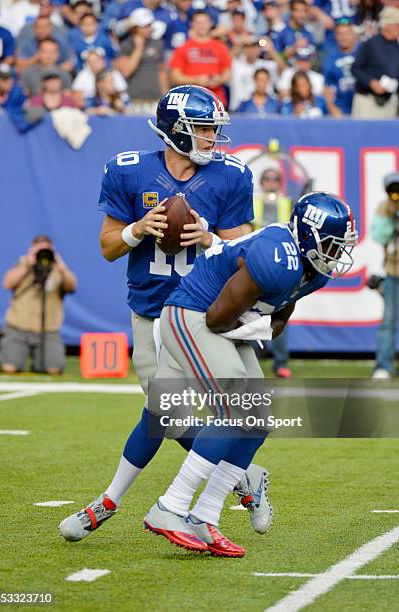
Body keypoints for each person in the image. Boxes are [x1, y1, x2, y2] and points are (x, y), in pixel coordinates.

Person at [59, 85, 271, 544]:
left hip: (208, 312)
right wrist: (138, 229)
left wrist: (209, 238)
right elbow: (108, 246)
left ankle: (115, 502)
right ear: (177, 131)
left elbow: (247, 254)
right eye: (204, 128)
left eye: (215, 128)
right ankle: (241, 478)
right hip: (153, 311)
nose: (214, 137)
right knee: (169, 414)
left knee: (234, 409)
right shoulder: (129, 171)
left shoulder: (231, 176)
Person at [142, 192, 358, 555]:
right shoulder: (276, 257)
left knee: (258, 420)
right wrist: (248, 326)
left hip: (224, 322)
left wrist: (256, 326)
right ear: (309, 237)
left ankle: (204, 516)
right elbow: (215, 318)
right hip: (191, 313)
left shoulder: (314, 272)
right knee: (236, 410)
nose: (337, 254)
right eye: (332, 245)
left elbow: (278, 321)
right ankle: (171, 506)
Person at [0, 235, 77, 374]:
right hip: (18, 329)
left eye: (46, 250)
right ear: (31, 250)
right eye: (38, 250)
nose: (42, 254)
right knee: (9, 368)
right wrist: (28, 264)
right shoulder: (23, 264)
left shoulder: (58, 269)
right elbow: (7, 283)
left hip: (48, 331)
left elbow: (71, 286)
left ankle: (41, 361)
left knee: (53, 369)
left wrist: (61, 267)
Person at [252, 168, 292, 377]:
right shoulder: (255, 201)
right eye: (267, 178)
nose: (271, 182)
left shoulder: (287, 202)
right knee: (247, 313)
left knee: (281, 314)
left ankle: (281, 362)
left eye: (275, 178)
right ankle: (250, 361)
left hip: (281, 266)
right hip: (258, 262)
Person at [169, 10, 231, 107]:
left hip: (216, 100)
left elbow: (227, 73)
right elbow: (175, 76)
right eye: (198, 22)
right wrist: (196, 80)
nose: (202, 25)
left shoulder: (220, 47)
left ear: (210, 24)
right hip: (190, 102)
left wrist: (218, 79)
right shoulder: (183, 48)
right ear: (192, 24)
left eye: (205, 22)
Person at [371, 172, 399, 379]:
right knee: (388, 322)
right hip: (394, 272)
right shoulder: (385, 208)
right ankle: (383, 366)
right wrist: (391, 217)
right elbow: (379, 236)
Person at [115, 8, 167, 115]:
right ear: (135, 28)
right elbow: (126, 71)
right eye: (145, 25)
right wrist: (138, 48)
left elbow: (161, 71)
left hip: (155, 100)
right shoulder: (126, 45)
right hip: (134, 100)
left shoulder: (157, 43)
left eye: (149, 24)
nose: (149, 28)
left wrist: (165, 95)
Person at [351, 6, 399, 119]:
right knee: (363, 135)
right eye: (397, 24)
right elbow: (355, 68)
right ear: (388, 25)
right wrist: (372, 82)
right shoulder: (371, 44)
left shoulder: (397, 46)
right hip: (368, 100)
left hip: (389, 101)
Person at [323, 20, 359, 117]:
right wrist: (332, 108)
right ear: (335, 36)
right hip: (341, 109)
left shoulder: (363, 52)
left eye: (347, 33)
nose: (344, 37)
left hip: (362, 105)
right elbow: (327, 87)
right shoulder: (331, 58)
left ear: (353, 34)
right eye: (340, 34)